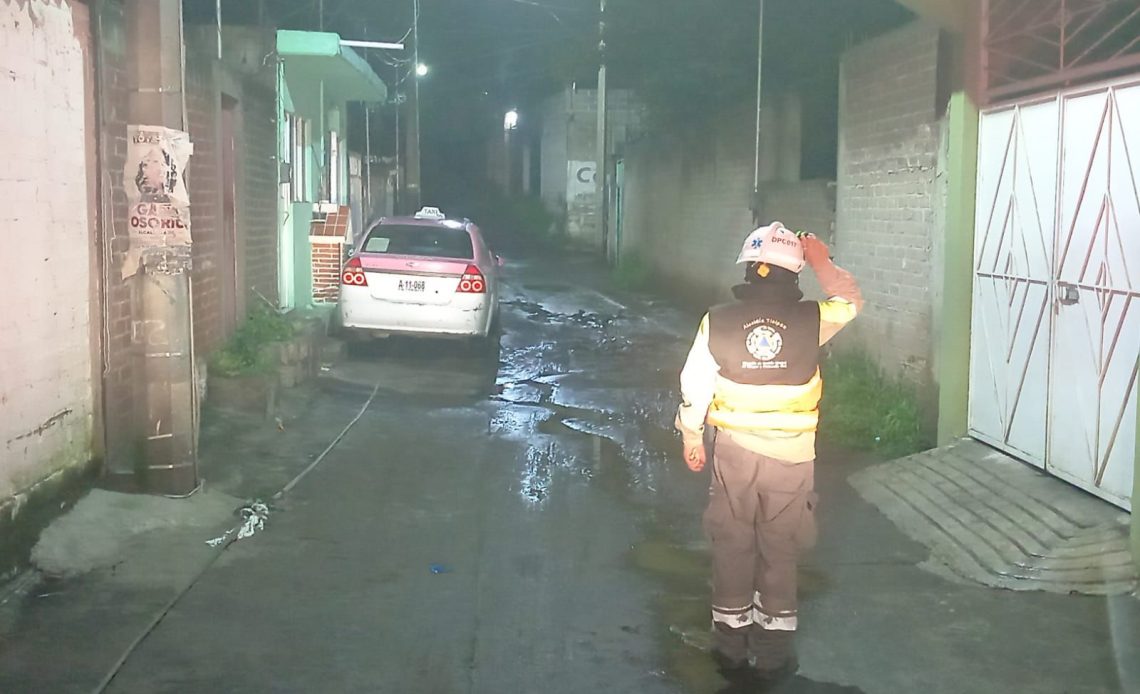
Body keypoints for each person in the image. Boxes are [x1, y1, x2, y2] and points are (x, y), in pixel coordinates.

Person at [675, 221, 863, 684]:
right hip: (792, 458)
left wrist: (691, 436)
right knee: (780, 552)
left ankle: (729, 650)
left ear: (749, 265)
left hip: (734, 454)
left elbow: (695, 383)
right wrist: (823, 259)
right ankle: (773, 655)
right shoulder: (813, 319)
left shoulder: (716, 318)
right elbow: (851, 302)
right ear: (793, 273)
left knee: (733, 547)